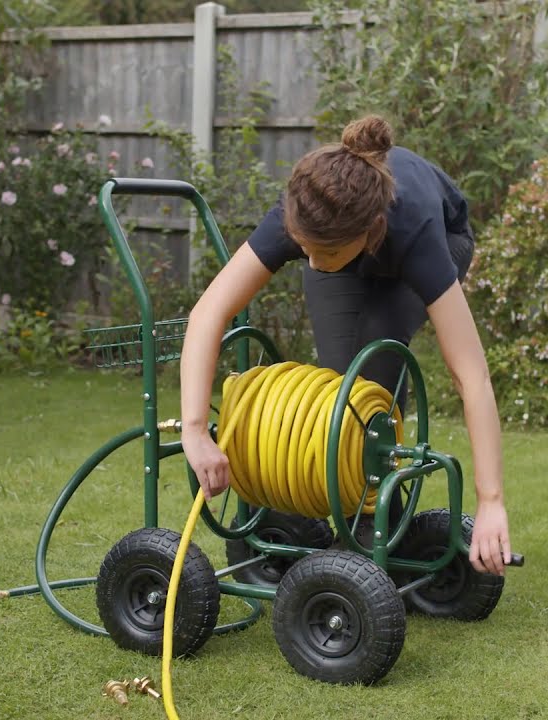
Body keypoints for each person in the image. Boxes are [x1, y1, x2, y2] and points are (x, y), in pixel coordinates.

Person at [178, 115, 512, 576]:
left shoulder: (416, 232)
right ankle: (319, 513)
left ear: (370, 230)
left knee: (373, 367)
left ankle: (375, 529)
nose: (310, 263)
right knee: (340, 392)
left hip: (441, 237)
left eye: (322, 253)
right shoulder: (305, 213)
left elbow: (470, 374)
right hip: (346, 240)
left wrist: (491, 499)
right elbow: (208, 313)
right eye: (303, 248)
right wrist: (195, 428)